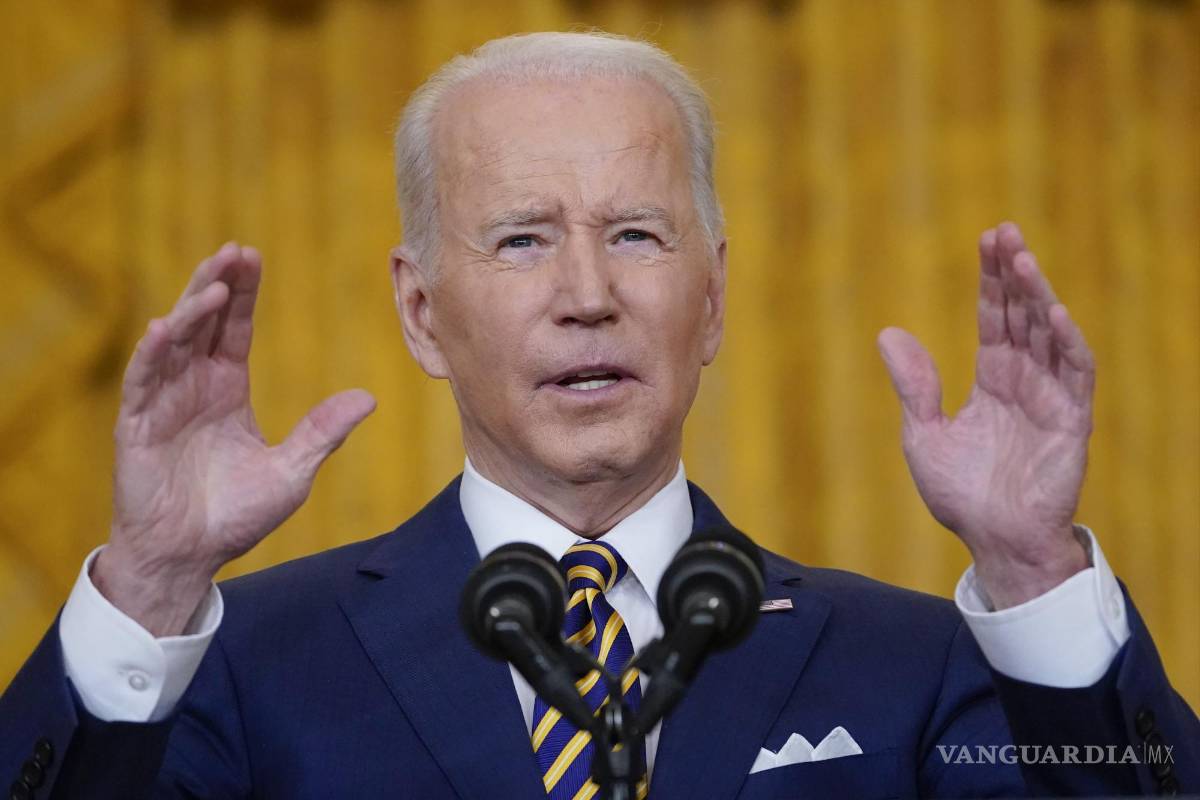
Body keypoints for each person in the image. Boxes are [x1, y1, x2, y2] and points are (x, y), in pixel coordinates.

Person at [1, 31, 1195, 800]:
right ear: (421, 311)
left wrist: (1034, 571)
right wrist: (152, 583)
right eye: (523, 239)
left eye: (635, 233)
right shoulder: (242, 663)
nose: (588, 294)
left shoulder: (915, 661)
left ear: (711, 297)